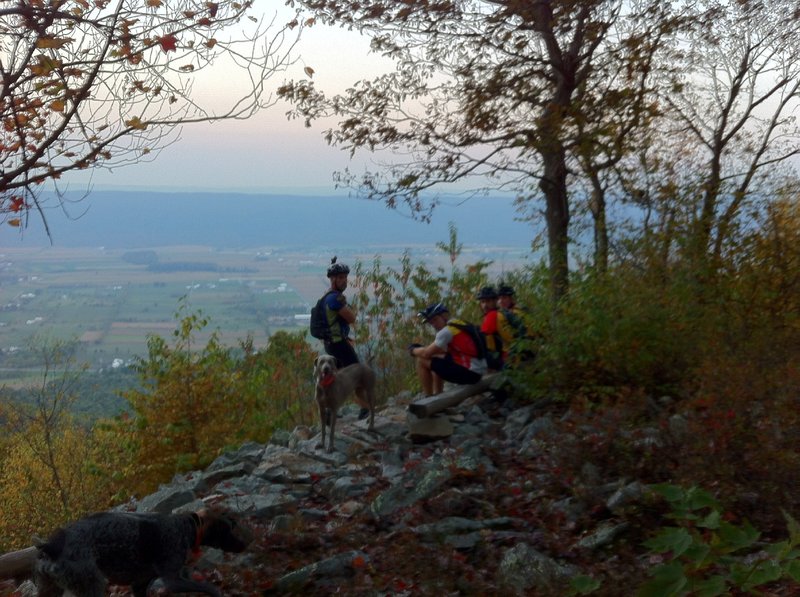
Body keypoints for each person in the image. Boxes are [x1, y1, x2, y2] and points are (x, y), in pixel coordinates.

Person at [321, 256, 369, 419]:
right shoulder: (334, 299)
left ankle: (329, 410)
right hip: (339, 345)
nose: (344, 281)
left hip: (331, 345)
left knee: (337, 377)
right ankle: (365, 411)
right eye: (341, 278)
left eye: (345, 277)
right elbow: (351, 318)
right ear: (333, 279)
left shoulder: (326, 296)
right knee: (358, 375)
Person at [408, 302, 487, 396]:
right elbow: (441, 351)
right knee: (436, 357)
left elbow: (425, 353)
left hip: (470, 374)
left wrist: (412, 350)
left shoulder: (446, 332)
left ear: (444, 315)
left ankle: (429, 397)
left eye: (435, 320)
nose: (434, 324)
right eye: (431, 322)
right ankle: (438, 393)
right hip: (478, 369)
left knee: (421, 360)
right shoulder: (457, 323)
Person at [476, 285, 505, 371]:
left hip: (504, 359)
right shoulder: (502, 312)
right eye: (482, 302)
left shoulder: (492, 315)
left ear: (495, 301)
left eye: (488, 301)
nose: (485, 305)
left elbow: (481, 340)